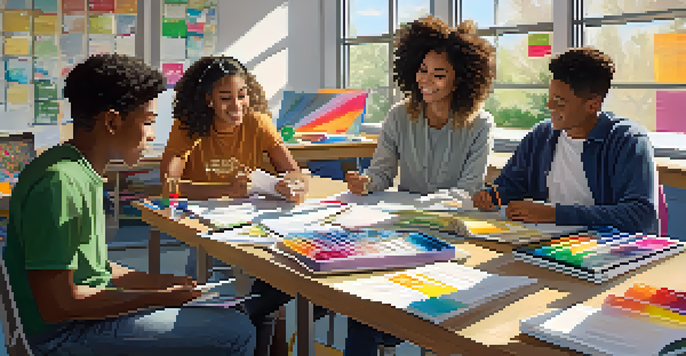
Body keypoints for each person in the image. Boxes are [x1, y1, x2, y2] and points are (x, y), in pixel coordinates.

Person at [3, 54, 256, 355]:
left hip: (81, 320)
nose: (151, 136)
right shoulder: (61, 183)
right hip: (63, 336)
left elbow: (92, 268)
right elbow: (58, 305)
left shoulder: (72, 168)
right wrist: (157, 297)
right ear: (111, 121)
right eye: (148, 122)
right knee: (236, 333)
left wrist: (160, 283)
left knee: (229, 314)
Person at [345, 16, 496, 356]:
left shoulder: (481, 124)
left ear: (461, 81)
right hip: (400, 231)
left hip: (449, 234)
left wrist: (415, 209)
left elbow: (469, 190)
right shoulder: (399, 115)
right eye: (423, 70)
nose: (426, 81)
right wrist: (366, 182)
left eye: (439, 75)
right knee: (363, 305)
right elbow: (382, 172)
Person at [160, 56, 322, 356]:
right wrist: (225, 189)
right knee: (205, 302)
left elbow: (294, 171)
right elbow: (169, 184)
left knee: (271, 295)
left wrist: (294, 185)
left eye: (242, 95)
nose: (237, 105)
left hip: (253, 228)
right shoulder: (188, 127)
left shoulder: (258, 122)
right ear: (207, 99)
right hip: (206, 232)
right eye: (225, 98)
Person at [471, 47, 658, 235]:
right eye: (550, 97)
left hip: (606, 249)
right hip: (546, 242)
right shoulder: (541, 135)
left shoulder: (628, 141)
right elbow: (511, 185)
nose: (549, 106)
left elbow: (640, 215)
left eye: (559, 102)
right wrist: (492, 196)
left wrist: (554, 214)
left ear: (593, 104)